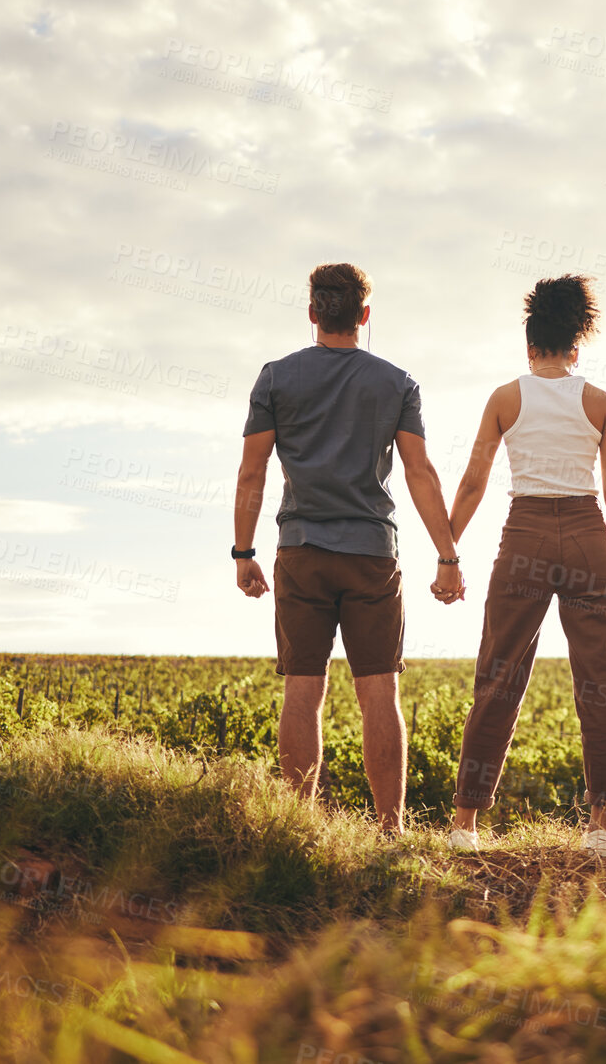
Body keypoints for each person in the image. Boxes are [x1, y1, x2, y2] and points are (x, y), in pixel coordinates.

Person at [233, 262, 464, 836]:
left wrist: (243, 552)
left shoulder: (275, 378)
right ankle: (391, 831)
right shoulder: (396, 382)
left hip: (301, 551)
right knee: (379, 692)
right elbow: (420, 473)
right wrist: (448, 557)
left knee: (302, 689)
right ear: (364, 316)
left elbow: (251, 472)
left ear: (313, 312)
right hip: (371, 556)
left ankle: (294, 828)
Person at [445, 275, 606, 855]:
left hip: (524, 536)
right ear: (575, 348)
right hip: (587, 538)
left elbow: (475, 480)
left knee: (498, 677)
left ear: (530, 347)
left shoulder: (506, 397)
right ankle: (601, 826)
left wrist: (447, 552)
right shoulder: (599, 401)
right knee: (599, 685)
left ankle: (465, 825)